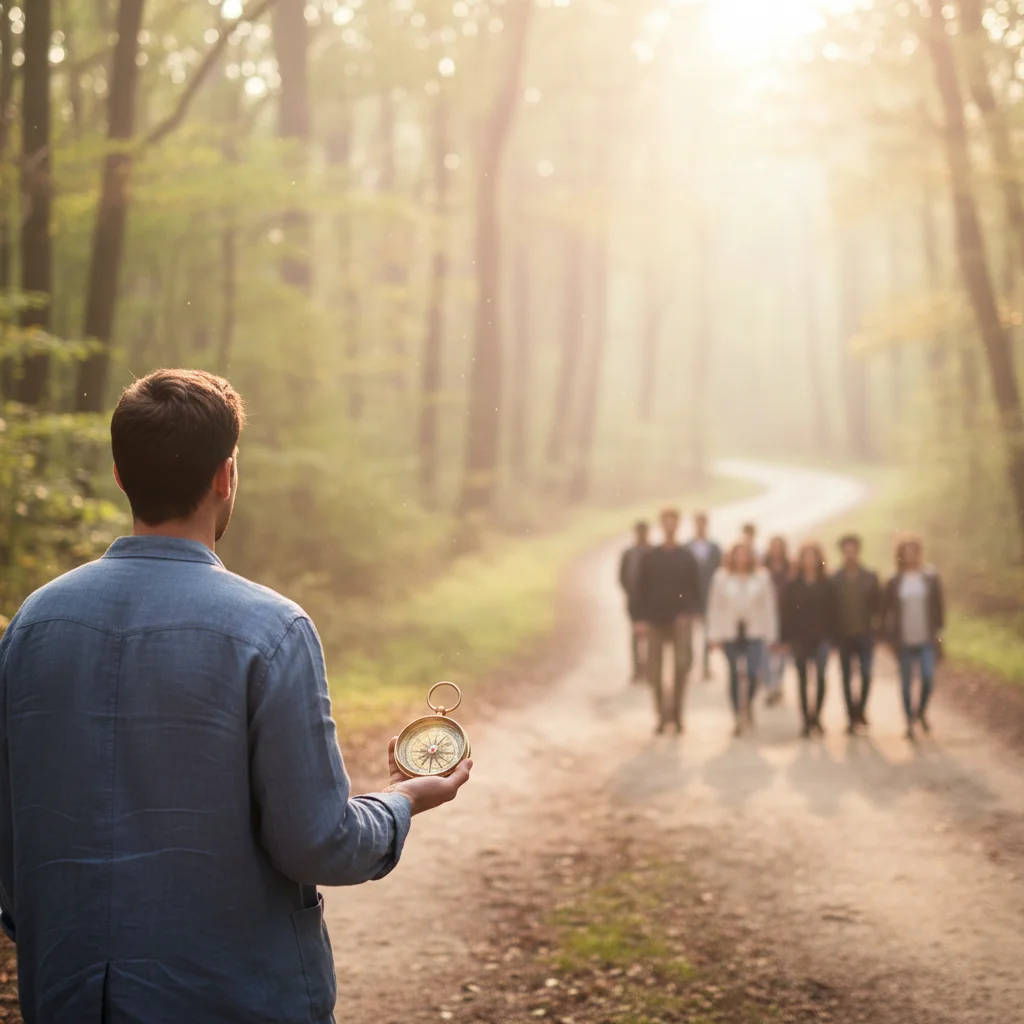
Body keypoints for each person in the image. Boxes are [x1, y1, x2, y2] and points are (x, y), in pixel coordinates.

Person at [0, 369, 472, 1023]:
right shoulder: (270, 631)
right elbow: (318, 844)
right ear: (226, 476)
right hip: (230, 1000)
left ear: (118, 473)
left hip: (66, 994)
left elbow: (15, 835)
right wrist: (403, 800)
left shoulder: (32, 624)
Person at [634, 507, 702, 734]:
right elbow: (639, 589)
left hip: (680, 621)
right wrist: (639, 618)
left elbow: (695, 588)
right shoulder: (650, 558)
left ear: (678, 525)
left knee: (682, 666)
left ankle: (677, 712)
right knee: (654, 671)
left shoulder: (686, 557)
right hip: (654, 621)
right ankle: (661, 715)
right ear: (661, 525)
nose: (669, 526)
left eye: (673, 522)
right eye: (666, 522)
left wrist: (689, 611)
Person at [707, 542, 778, 737]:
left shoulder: (762, 577)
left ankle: (748, 704)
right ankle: (738, 715)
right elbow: (715, 607)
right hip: (730, 632)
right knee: (733, 674)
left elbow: (768, 607)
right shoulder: (721, 577)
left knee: (753, 673)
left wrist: (771, 635)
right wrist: (713, 635)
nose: (741, 558)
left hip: (754, 632)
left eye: (744, 554)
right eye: (737, 554)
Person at [882, 536, 945, 741]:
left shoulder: (929, 576)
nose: (909, 555)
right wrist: (889, 638)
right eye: (905, 552)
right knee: (906, 683)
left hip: (926, 638)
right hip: (903, 641)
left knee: (927, 678)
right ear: (900, 555)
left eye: (913, 551)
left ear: (918, 553)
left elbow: (939, 606)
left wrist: (938, 633)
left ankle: (921, 712)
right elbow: (886, 611)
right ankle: (909, 721)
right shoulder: (894, 580)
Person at [781, 541, 838, 738]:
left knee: (821, 678)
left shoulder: (828, 584)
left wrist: (833, 640)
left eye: (813, 556)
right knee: (803, 680)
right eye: (806, 557)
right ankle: (806, 721)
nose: (810, 561)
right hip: (800, 638)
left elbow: (834, 613)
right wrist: (785, 639)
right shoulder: (792, 584)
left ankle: (817, 717)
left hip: (822, 637)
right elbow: (786, 613)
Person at [833, 533, 882, 734]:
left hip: (865, 635)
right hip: (843, 636)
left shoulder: (870, 577)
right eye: (847, 549)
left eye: (853, 549)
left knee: (866, 674)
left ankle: (861, 710)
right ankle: (851, 717)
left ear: (858, 551)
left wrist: (878, 631)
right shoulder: (835, 578)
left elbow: (879, 606)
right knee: (845, 678)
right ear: (842, 552)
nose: (850, 553)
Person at [686, 510, 723, 682]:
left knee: (708, 634)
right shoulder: (686, 547)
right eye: (698, 522)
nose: (700, 525)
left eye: (703, 522)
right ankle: (688, 664)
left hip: (710, 596)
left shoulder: (714, 548)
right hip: (691, 598)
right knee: (689, 634)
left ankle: (706, 667)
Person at [619, 520, 651, 682]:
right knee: (635, 635)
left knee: (651, 635)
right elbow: (622, 577)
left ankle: (650, 668)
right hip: (634, 601)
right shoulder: (629, 553)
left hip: (652, 602)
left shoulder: (653, 552)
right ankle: (637, 669)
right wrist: (631, 593)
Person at [762, 535, 791, 706]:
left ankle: (777, 684)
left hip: (784, 615)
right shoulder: (762, 568)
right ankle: (770, 686)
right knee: (765, 653)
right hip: (766, 615)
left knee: (781, 654)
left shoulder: (790, 568)